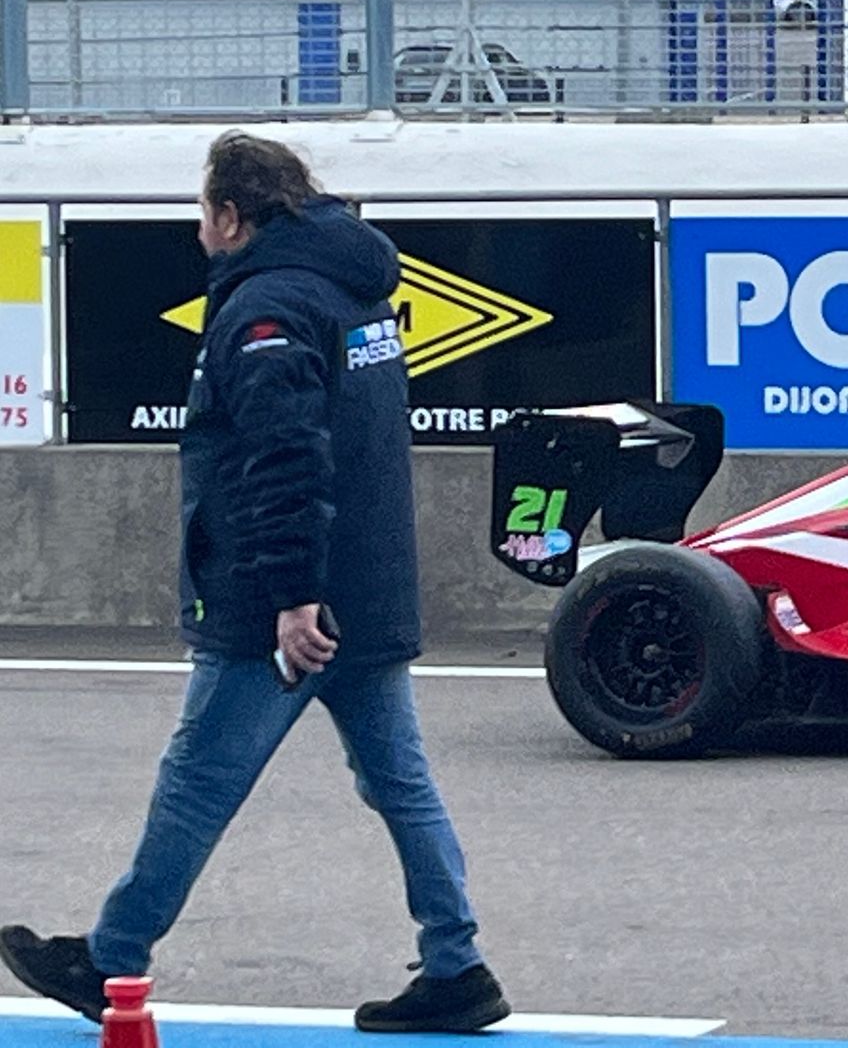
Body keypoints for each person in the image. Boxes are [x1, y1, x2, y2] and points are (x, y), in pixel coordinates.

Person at [0, 132, 510, 1035]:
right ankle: (456, 963)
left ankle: (112, 956)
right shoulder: (355, 290)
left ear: (233, 216)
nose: (198, 231)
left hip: (281, 599)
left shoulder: (265, 308)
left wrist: (291, 597)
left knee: (198, 781)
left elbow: (282, 459)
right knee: (400, 781)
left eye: (202, 212)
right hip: (371, 587)